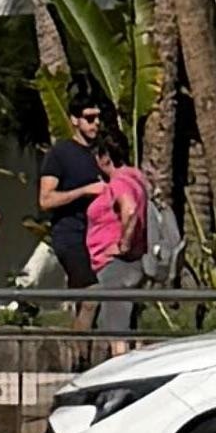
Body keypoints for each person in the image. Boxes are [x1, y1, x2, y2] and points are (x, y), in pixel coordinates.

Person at [82, 123, 161, 356]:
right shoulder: (136, 178)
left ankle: (119, 372)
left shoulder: (120, 183)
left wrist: (122, 245)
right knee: (123, 324)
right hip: (124, 265)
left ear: (105, 157)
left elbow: (130, 209)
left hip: (117, 265)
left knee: (117, 330)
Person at [34, 92, 116, 310]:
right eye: (89, 118)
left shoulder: (103, 153)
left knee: (107, 298)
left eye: (98, 118)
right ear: (75, 120)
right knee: (91, 296)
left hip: (102, 237)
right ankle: (80, 333)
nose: (96, 123)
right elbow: (45, 200)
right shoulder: (60, 153)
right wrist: (84, 191)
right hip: (71, 236)